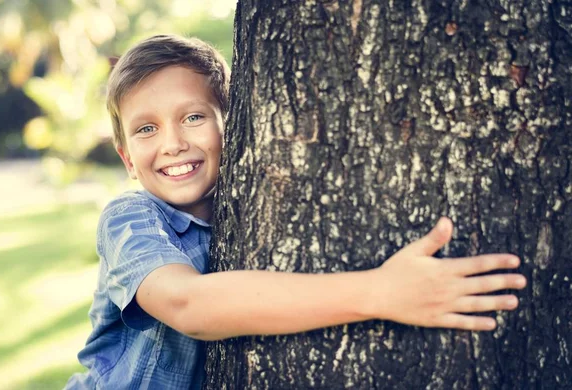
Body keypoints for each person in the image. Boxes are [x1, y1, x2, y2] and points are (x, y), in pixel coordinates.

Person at [65, 35, 526, 389]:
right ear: (127, 159)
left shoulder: (246, 206)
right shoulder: (131, 217)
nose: (173, 143)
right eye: (147, 128)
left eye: (193, 117)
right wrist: (380, 293)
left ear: (237, 125)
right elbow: (188, 305)